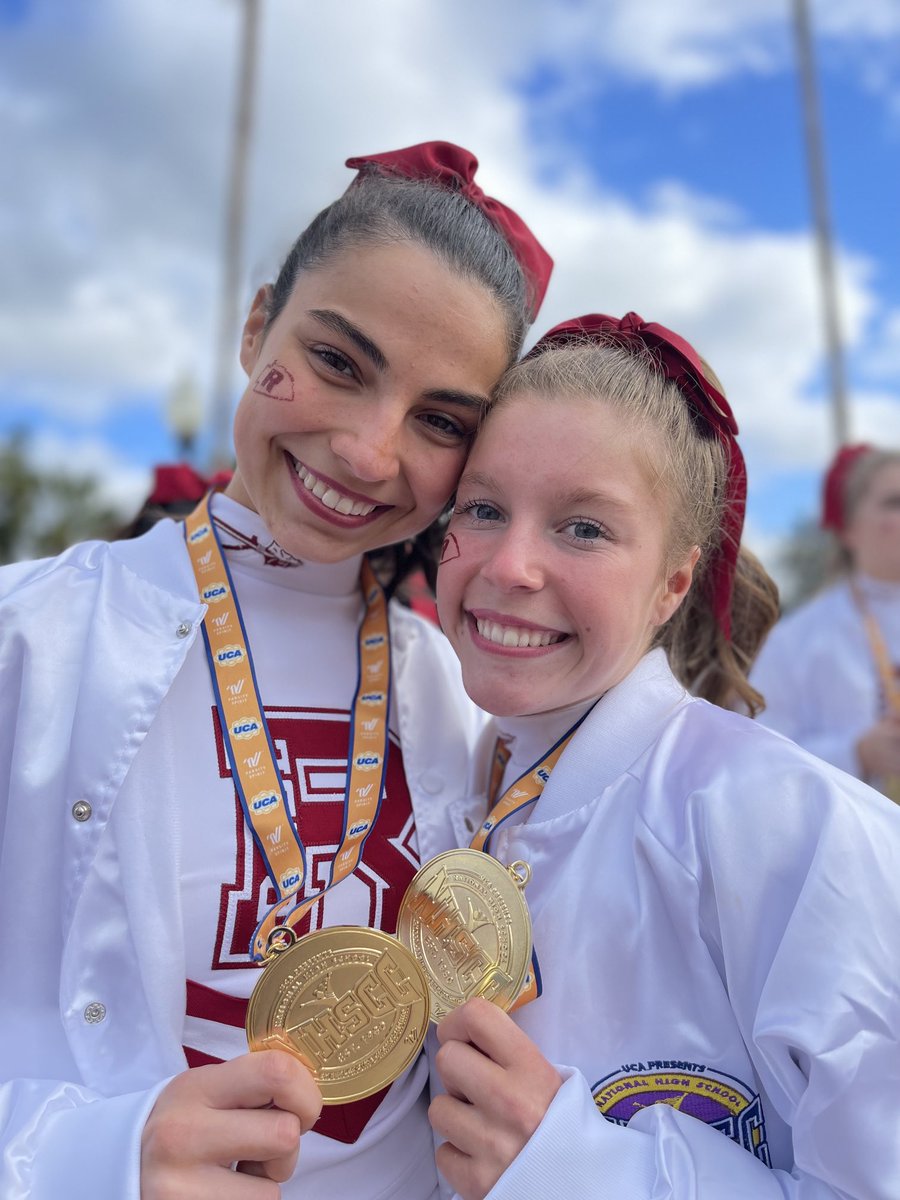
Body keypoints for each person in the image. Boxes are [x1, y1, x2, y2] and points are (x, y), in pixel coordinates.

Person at [0, 141, 553, 1200]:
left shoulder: (459, 692)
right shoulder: (30, 640)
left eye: (441, 421)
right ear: (257, 328)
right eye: (340, 362)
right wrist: (90, 1159)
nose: (366, 451)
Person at [427, 313, 900, 1200]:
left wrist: (570, 1168)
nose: (511, 565)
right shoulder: (446, 785)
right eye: (483, 509)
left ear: (674, 581)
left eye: (584, 530)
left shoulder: (798, 836)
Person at [751, 443, 900, 799]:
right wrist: (856, 754)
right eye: (894, 502)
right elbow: (758, 761)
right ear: (847, 528)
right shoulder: (798, 640)